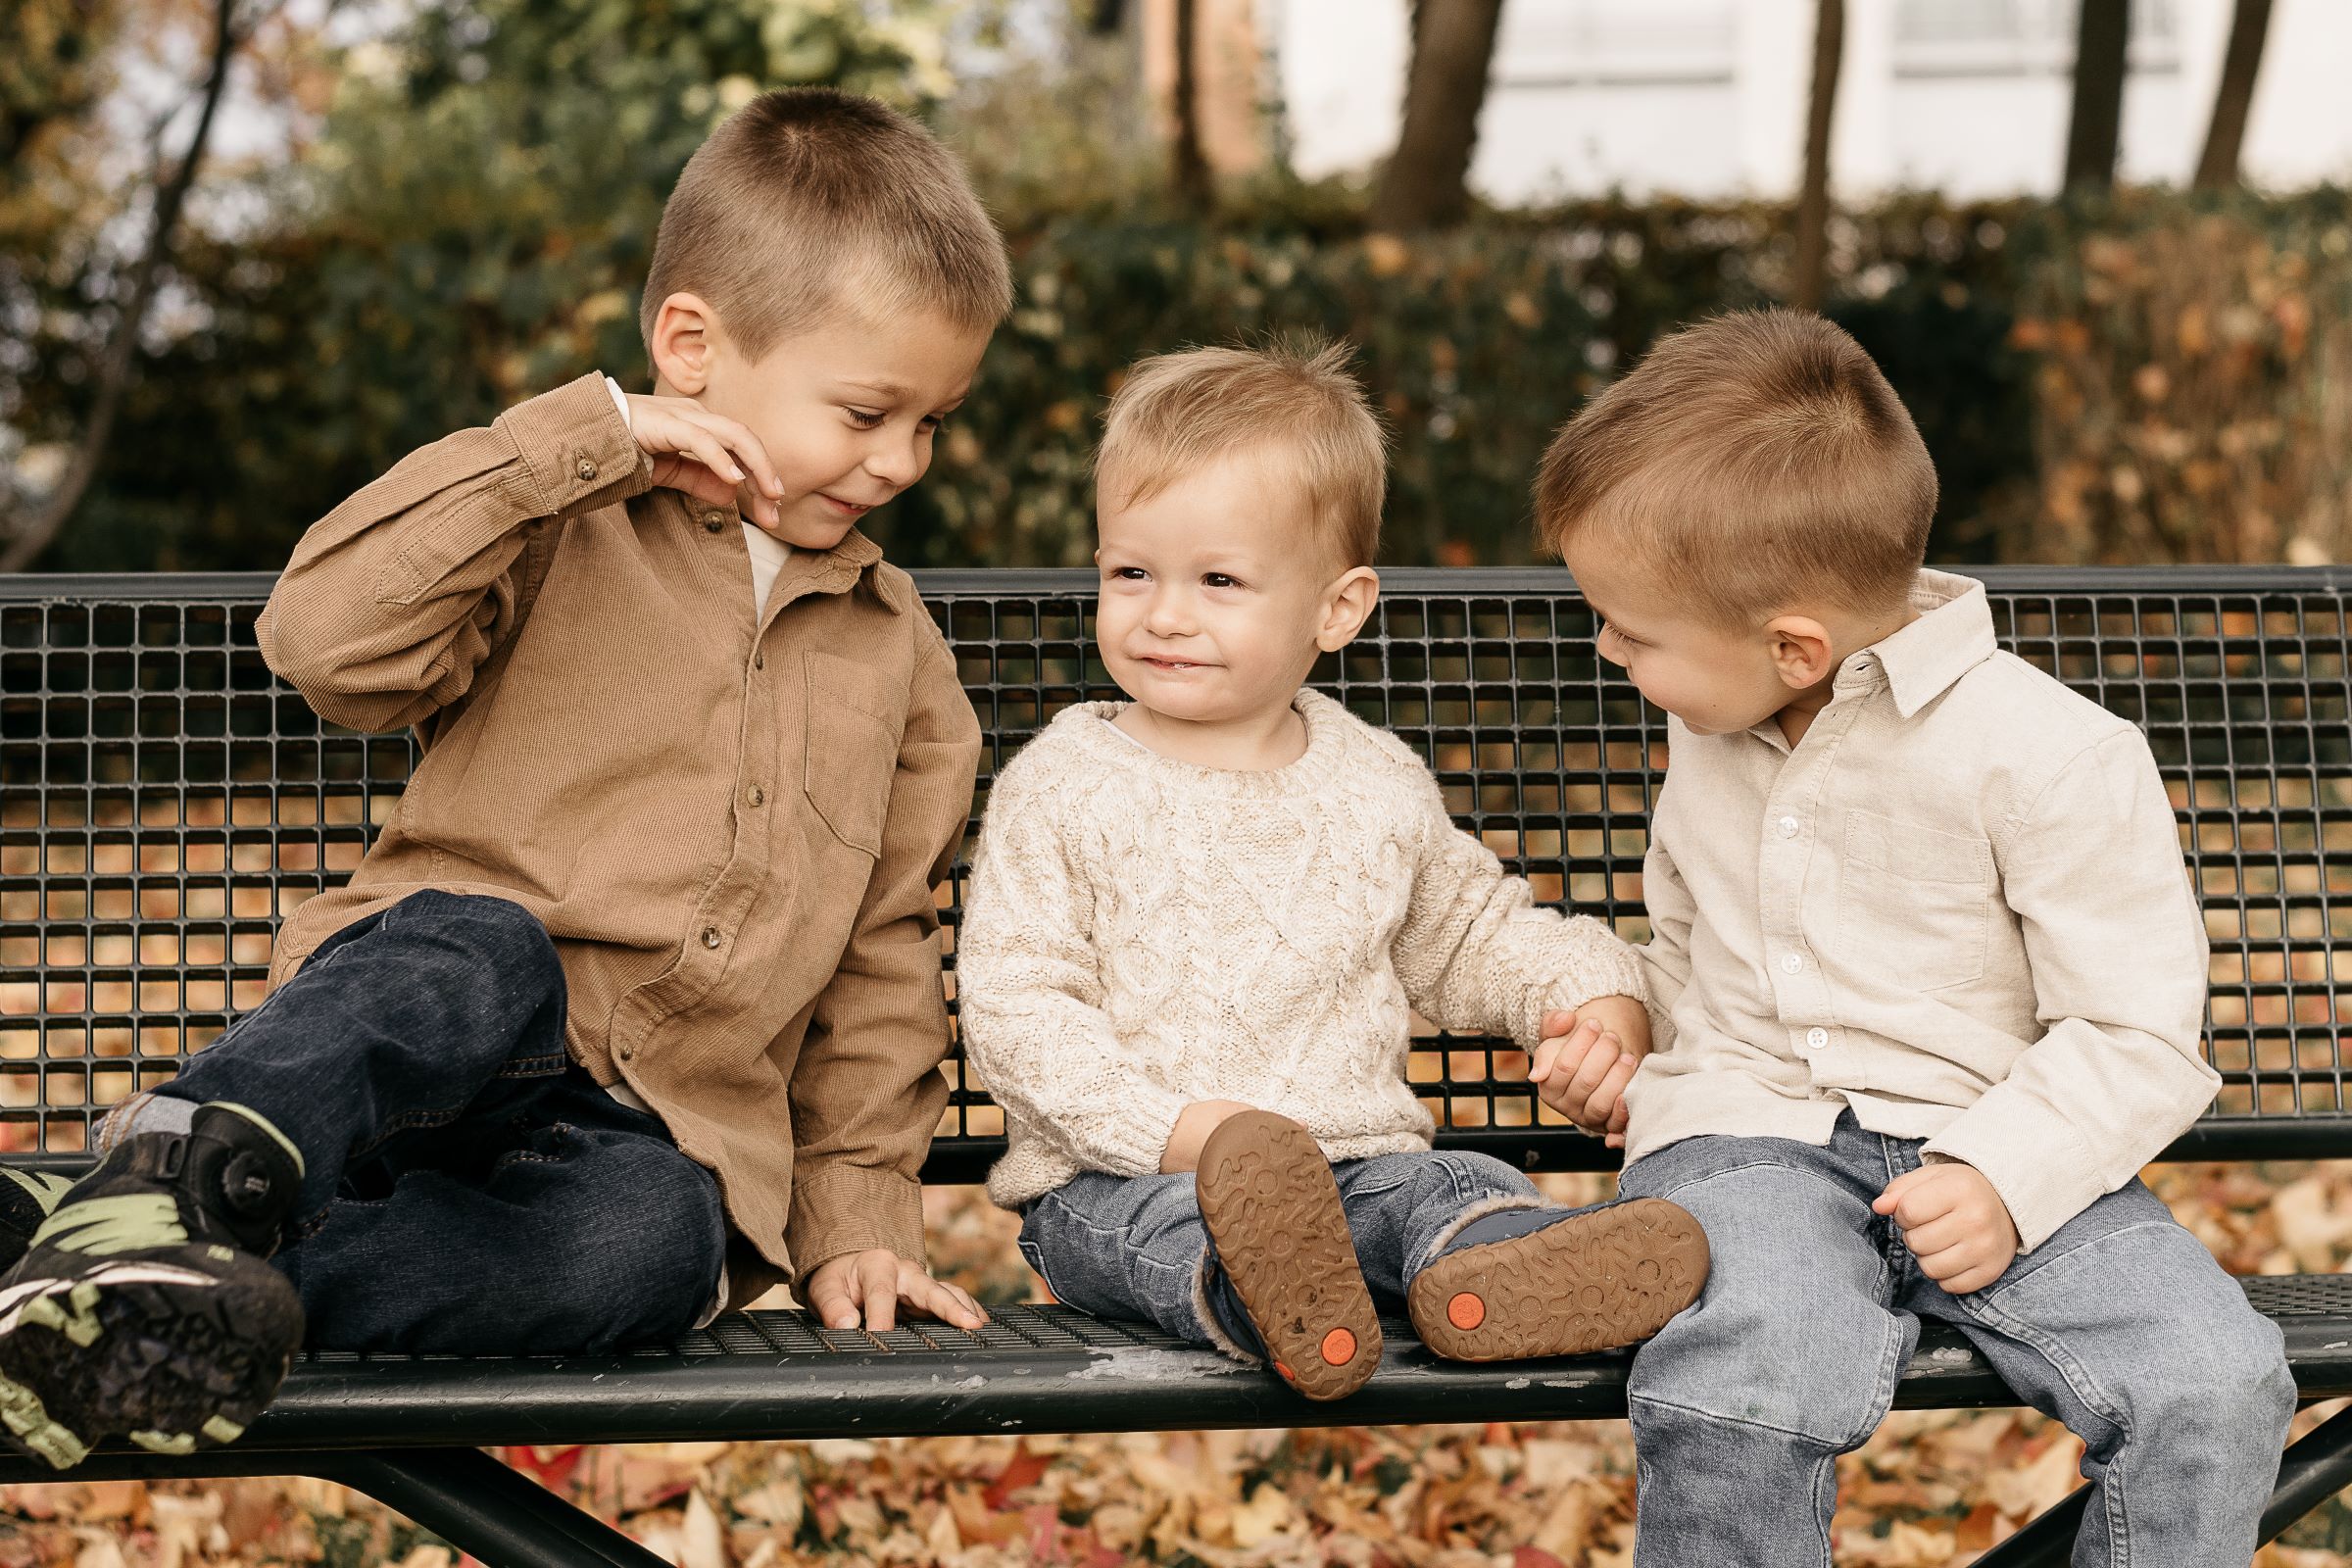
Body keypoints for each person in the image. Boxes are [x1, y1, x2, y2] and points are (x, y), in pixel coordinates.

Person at [0, 87, 1006, 1472]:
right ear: (693, 348)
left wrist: (858, 1221)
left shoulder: (902, 660)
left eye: (933, 423)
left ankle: (130, 1304)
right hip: (409, 1070)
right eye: (868, 412)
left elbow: (883, 958)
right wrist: (572, 449)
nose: (900, 462)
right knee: (483, 946)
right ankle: (168, 1190)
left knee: (651, 1244)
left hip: (640, 1136)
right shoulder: (556, 525)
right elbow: (321, 642)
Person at [1530, 308, 2294, 1565]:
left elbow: (2136, 1031)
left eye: (1630, 629)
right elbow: (1690, 949)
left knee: (2214, 1380)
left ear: (1793, 646)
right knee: (1755, 1368)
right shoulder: (1715, 724)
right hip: (1750, 1142)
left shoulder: (2052, 757)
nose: (1605, 647)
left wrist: (2004, 1174)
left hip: (2001, 1147)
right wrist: (1629, 1032)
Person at [955, 338, 1709, 1404]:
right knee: (1171, 1232)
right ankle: (1272, 1299)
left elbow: (1471, 934)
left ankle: (1495, 1272)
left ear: (1338, 609)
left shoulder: (1372, 781)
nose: (1163, 613)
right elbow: (1017, 1007)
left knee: (1454, 1183)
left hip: (1358, 1167)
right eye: (1132, 573)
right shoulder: (1065, 783)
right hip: (1117, 1174)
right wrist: (1183, 1134)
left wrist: (1591, 996)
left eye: (1218, 580)